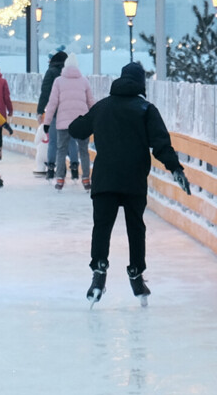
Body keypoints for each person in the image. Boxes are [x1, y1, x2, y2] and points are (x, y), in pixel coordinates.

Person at [69, 61, 188, 306]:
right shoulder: (146, 109)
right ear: (141, 84)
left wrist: (80, 118)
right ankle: (136, 272)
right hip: (133, 180)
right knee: (136, 227)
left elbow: (77, 129)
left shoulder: (102, 107)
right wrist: (175, 168)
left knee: (102, 226)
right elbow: (161, 145)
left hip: (104, 179)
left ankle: (99, 270)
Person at [41, 53, 95, 190]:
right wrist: (96, 120)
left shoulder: (58, 81)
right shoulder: (84, 81)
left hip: (63, 123)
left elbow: (52, 103)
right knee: (83, 151)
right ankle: (86, 180)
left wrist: (47, 123)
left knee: (61, 150)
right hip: (82, 123)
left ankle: (60, 180)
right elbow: (91, 103)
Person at [36, 49, 68, 178]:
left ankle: (51, 168)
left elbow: (45, 92)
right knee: (67, 142)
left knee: (54, 141)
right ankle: (64, 168)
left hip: (55, 111)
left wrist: (40, 110)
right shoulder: (68, 73)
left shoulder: (51, 72)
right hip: (69, 111)